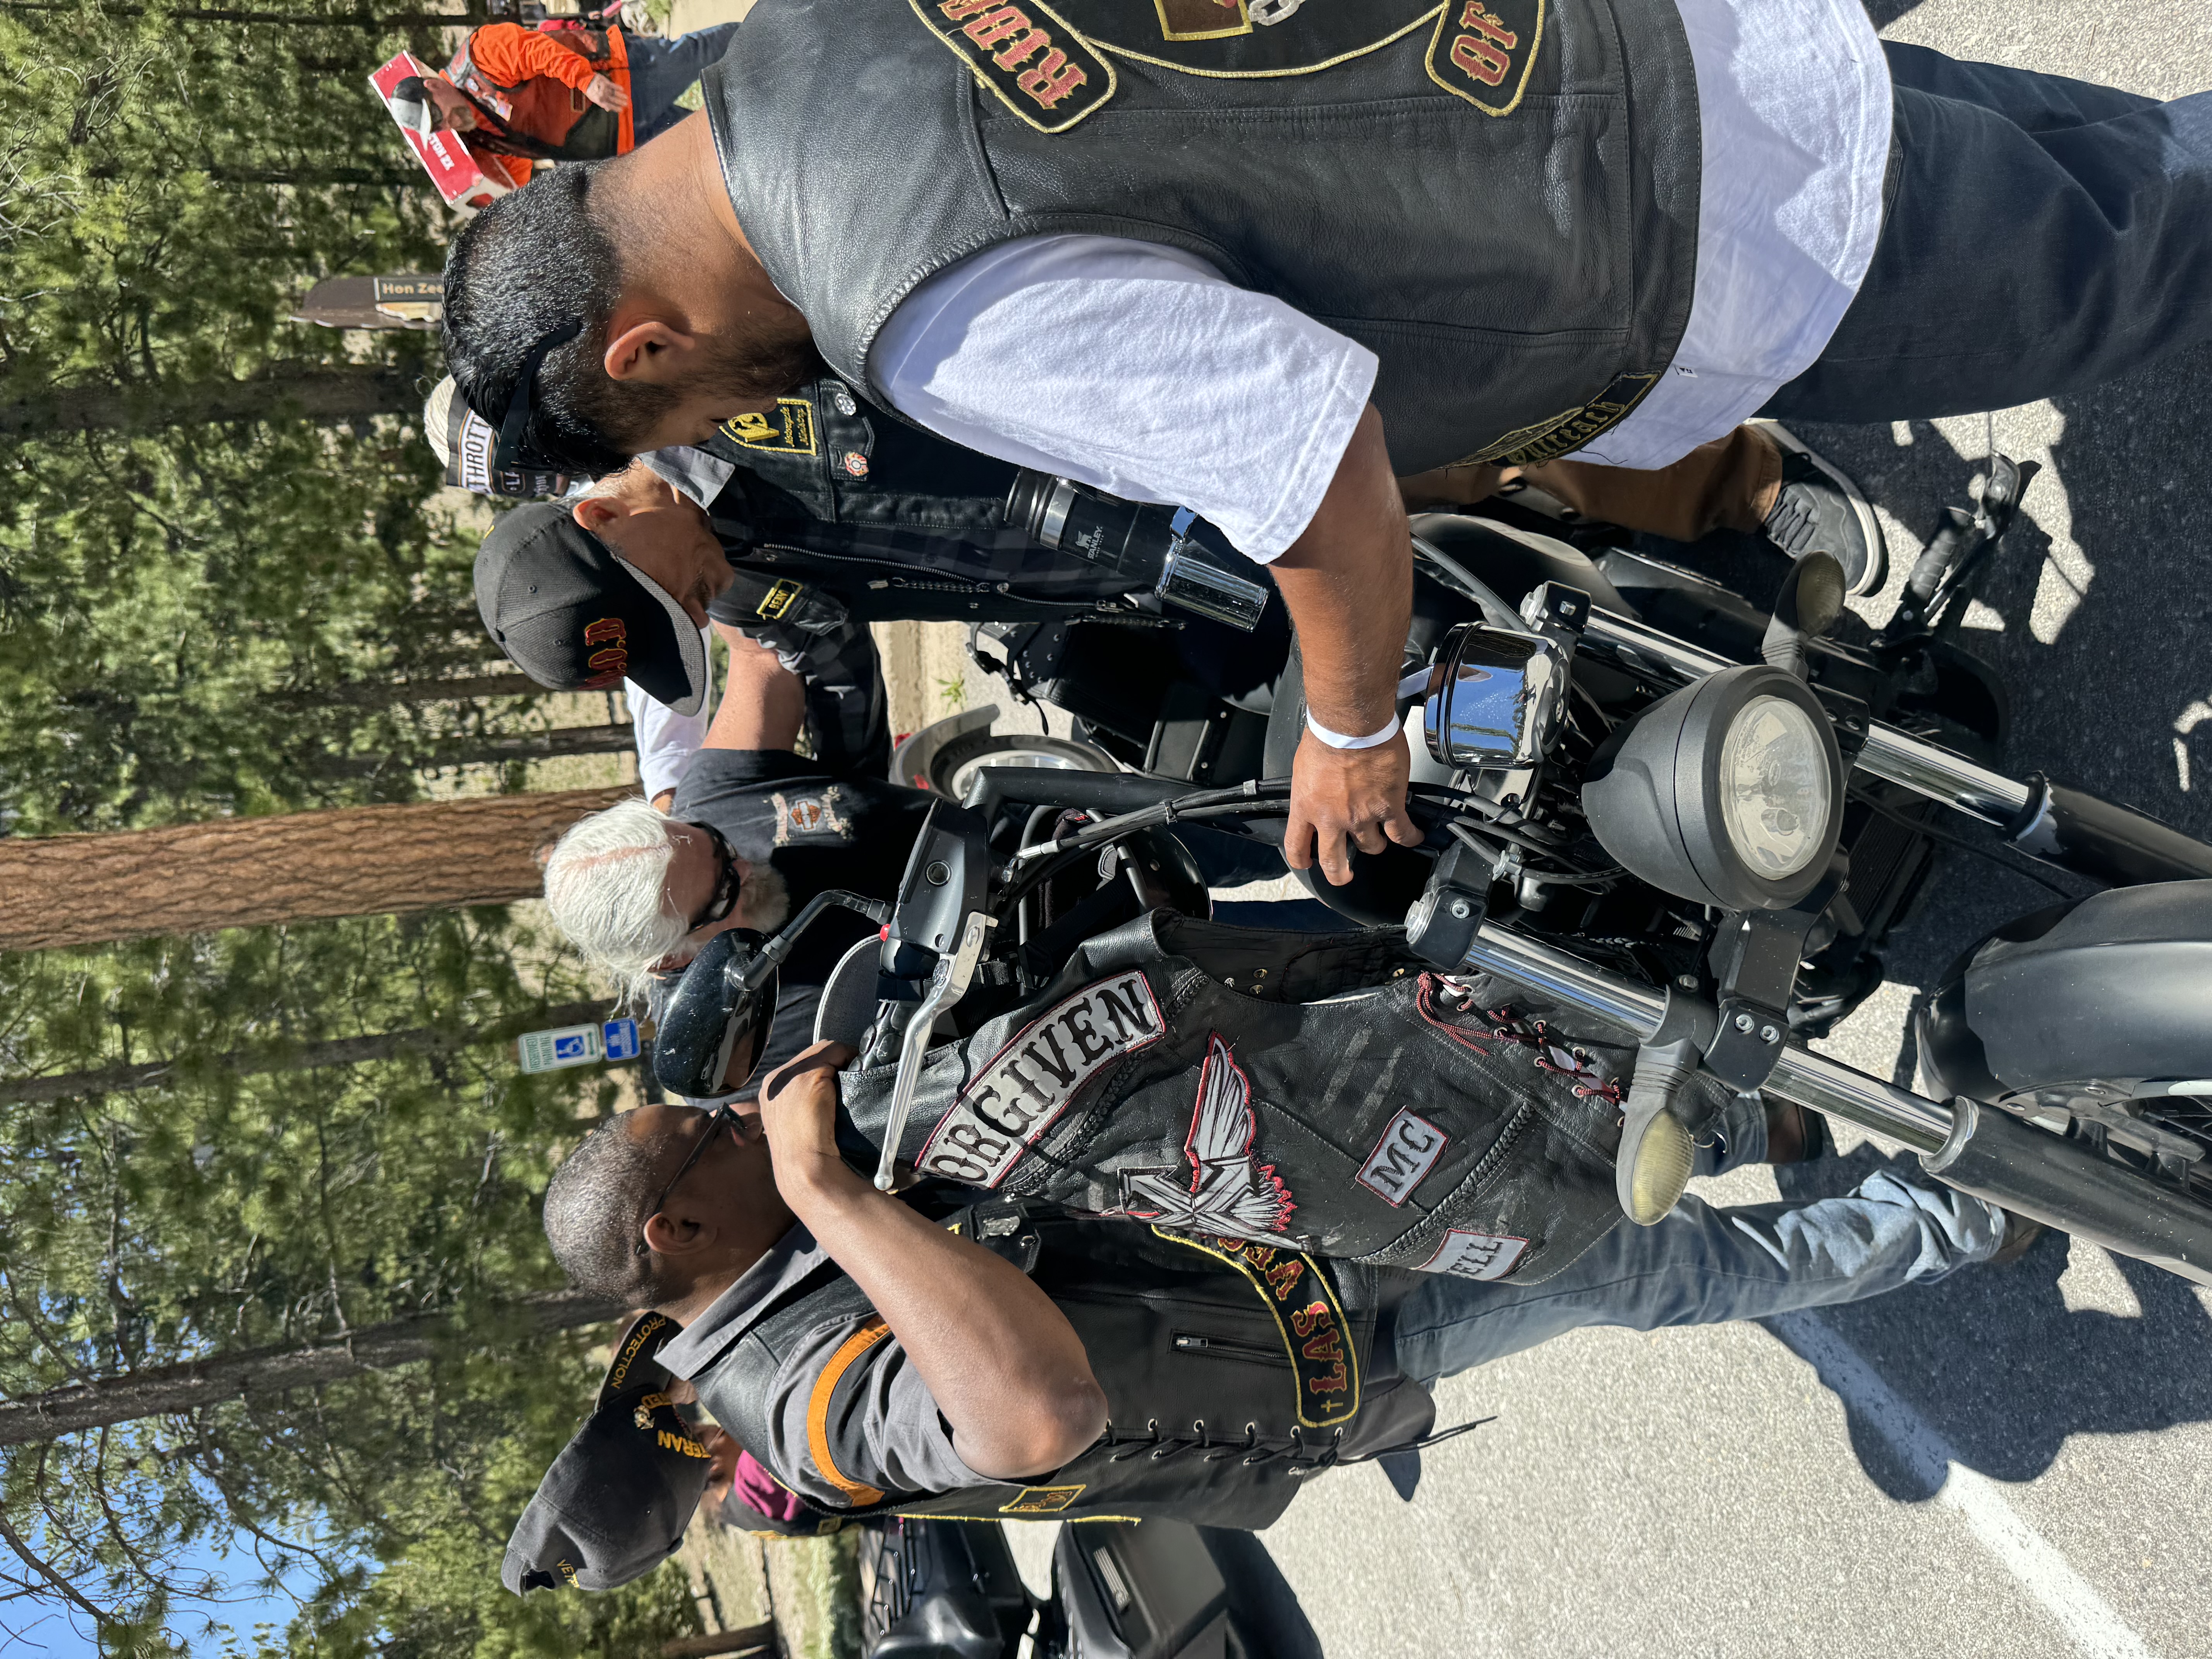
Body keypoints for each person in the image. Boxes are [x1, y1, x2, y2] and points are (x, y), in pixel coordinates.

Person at [439, 5, 2212, 888]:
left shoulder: (914, 301)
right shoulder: (807, 32)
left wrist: (1353, 734)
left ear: (644, 344)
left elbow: (1309, 462)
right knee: (2144, 179)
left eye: (675, 410)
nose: (715, 425)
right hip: (1599, 52)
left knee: (2152, 246)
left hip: (1674, 217)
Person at [499, 1038, 2032, 1585]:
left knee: (1557, 1126)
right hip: (1340, 1334)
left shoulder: (759, 1275)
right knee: (1666, 1273)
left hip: (1293, 1222)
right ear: (680, 1228)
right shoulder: (801, 1402)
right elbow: (1032, 1412)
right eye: (705, 1134)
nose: (725, 1117)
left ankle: (1781, 1120)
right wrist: (830, 1190)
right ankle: (1977, 1207)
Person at [538, 626, 935, 1091]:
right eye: (726, 890)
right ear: (669, 961)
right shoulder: (727, 1050)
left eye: (718, 844)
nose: (745, 866)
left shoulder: (711, 793)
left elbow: (762, 656)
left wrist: (724, 585)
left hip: (1024, 831)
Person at [386, 17, 738, 190]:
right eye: (437, 126)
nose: (446, 121)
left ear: (432, 85)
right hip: (620, 138)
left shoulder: (480, 56)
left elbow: (537, 51)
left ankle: (782, 25)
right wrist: (479, 172)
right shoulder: (480, 140)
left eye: (436, 112)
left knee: (705, 52)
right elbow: (521, 175)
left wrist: (587, 81)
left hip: (622, 79)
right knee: (716, 139)